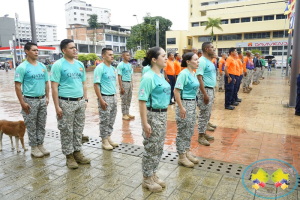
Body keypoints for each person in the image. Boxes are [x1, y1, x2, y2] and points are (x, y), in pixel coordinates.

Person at [51, 39, 90, 169]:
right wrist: (57, 106)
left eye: (75, 47)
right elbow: (54, 87)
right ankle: (69, 156)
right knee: (67, 130)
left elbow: (84, 83)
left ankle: (77, 152)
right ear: (64, 50)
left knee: (78, 129)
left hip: (79, 102)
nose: (75, 50)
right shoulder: (58, 65)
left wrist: (85, 99)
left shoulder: (79, 64)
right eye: (71, 48)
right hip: (65, 102)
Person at [138, 47, 170, 192]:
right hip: (153, 115)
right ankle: (146, 178)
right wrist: (145, 123)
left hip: (162, 115)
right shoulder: (148, 77)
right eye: (163, 56)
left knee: (158, 147)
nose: (166, 58)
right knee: (151, 147)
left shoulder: (160, 75)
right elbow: (142, 101)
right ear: (154, 59)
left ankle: (153, 173)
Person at [15, 42, 49, 158]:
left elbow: (46, 83)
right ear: (26, 51)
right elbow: (18, 86)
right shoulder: (22, 67)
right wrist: (22, 103)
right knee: (31, 125)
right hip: (30, 100)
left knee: (41, 124)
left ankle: (40, 144)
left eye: (37, 50)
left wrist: (47, 97)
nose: (36, 52)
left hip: (42, 99)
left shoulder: (42, 66)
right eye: (34, 50)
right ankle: (34, 147)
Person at [174, 52, 199, 167]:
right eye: (195, 59)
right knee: (182, 131)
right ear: (188, 62)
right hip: (184, 103)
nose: (198, 61)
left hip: (193, 104)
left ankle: (187, 152)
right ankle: (181, 156)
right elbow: (176, 91)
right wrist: (181, 107)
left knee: (189, 130)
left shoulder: (193, 73)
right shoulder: (183, 74)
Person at [94, 48, 119, 150]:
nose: (112, 56)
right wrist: (100, 99)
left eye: (112, 55)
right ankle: (104, 140)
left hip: (113, 96)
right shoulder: (100, 68)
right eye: (109, 55)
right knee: (104, 120)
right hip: (104, 97)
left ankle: (108, 136)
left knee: (111, 119)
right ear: (103, 56)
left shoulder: (113, 69)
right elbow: (96, 85)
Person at [196, 42, 216, 146]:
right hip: (205, 90)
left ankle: (204, 133)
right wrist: (204, 94)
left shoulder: (210, 61)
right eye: (212, 47)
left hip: (211, 89)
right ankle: (200, 136)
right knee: (203, 114)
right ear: (206, 49)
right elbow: (199, 78)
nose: (214, 49)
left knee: (207, 113)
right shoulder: (202, 61)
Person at [117, 51, 134, 121]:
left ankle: (127, 112)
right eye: (127, 55)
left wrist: (132, 84)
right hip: (124, 83)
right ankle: (124, 114)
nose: (129, 57)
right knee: (124, 99)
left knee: (129, 99)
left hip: (129, 83)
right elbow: (119, 76)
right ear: (123, 56)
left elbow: (131, 74)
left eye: (129, 55)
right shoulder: (120, 65)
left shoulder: (130, 65)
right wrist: (121, 87)